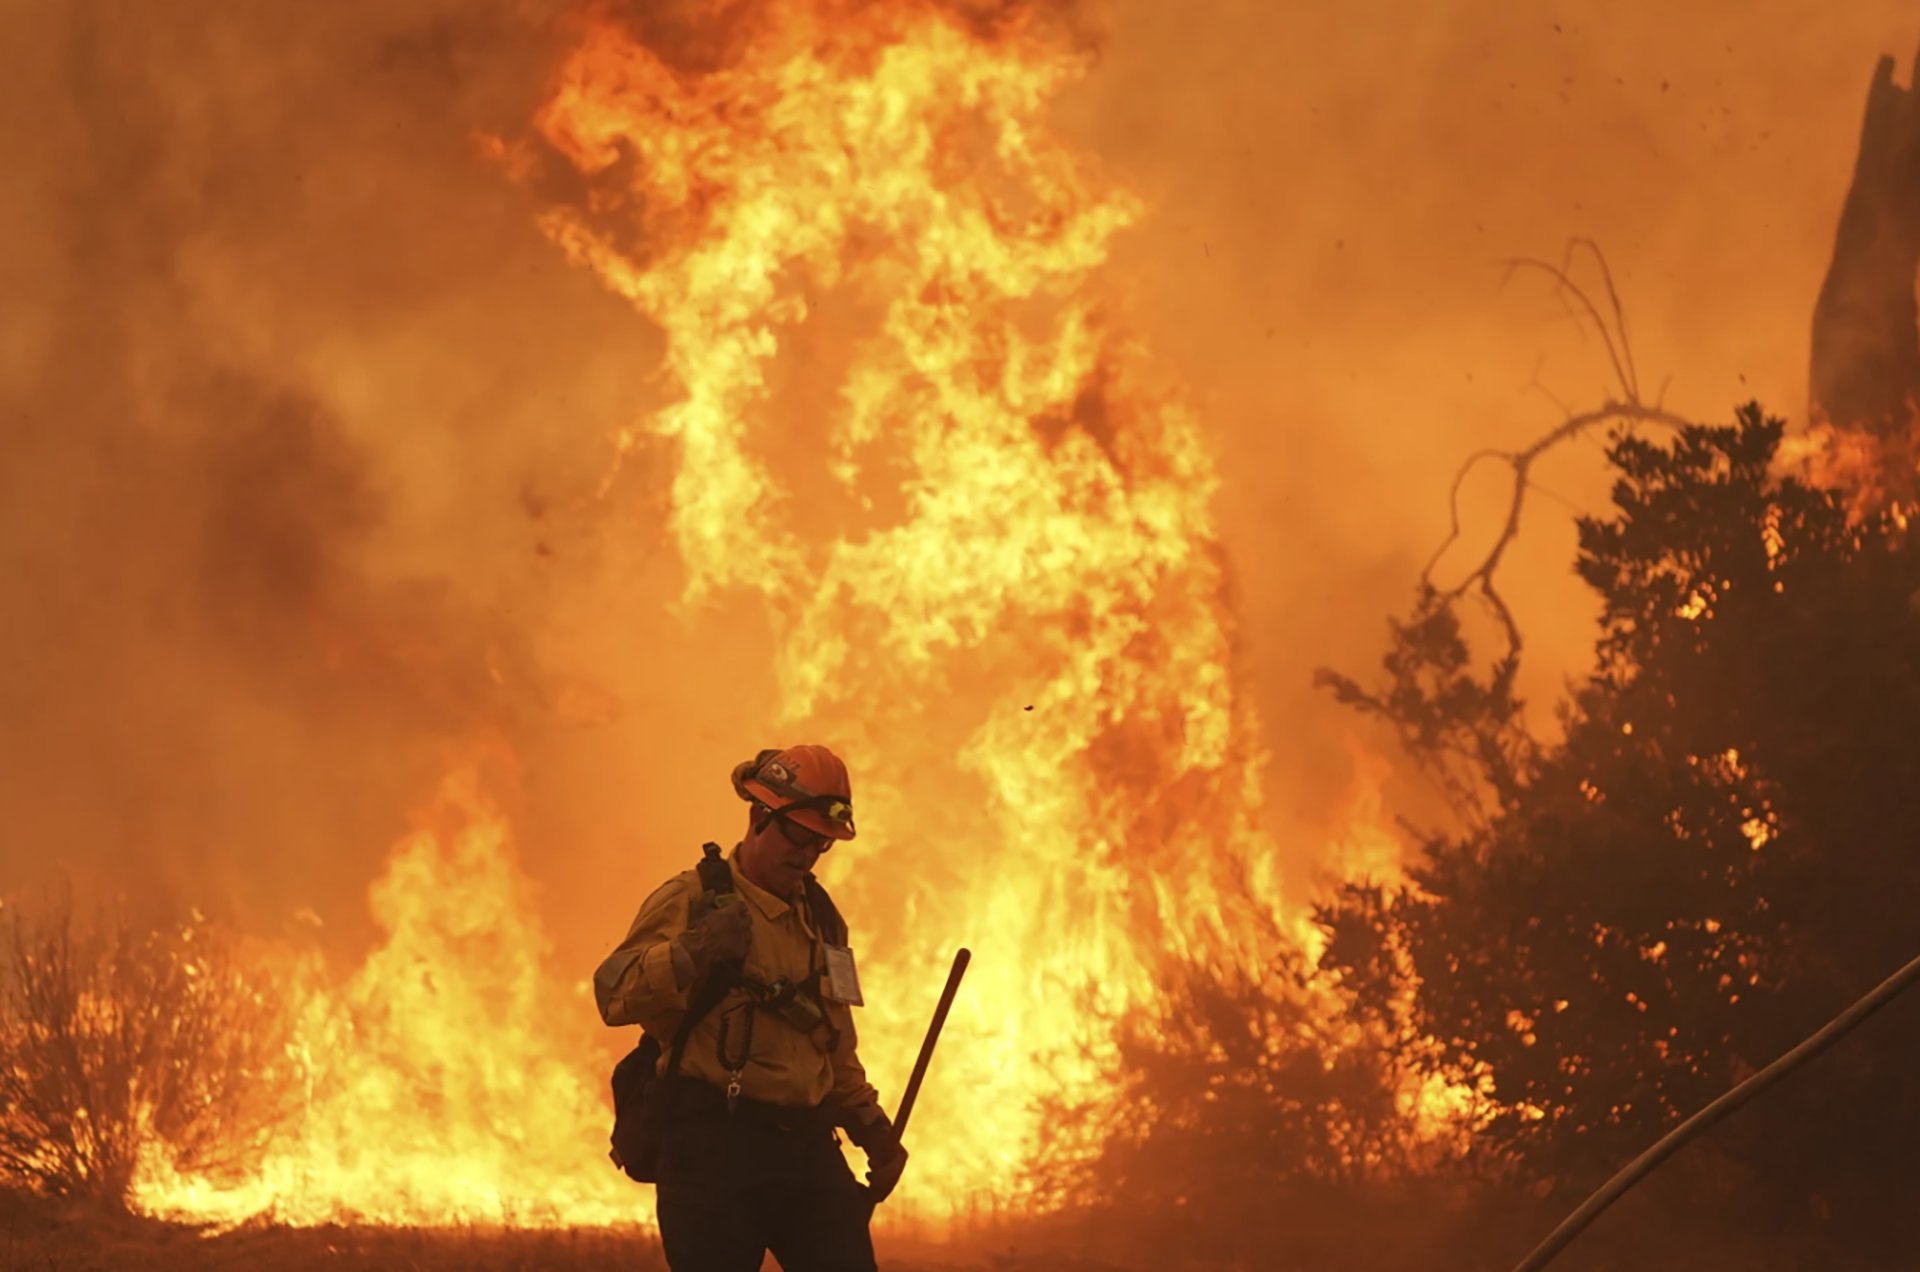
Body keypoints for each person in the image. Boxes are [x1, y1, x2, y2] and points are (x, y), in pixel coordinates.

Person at [593, 744, 907, 1272]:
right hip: (713, 1152)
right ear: (760, 816)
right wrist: (694, 950)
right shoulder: (690, 899)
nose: (808, 853)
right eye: (799, 835)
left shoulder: (825, 921)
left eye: (822, 844)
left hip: (807, 1152)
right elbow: (613, 993)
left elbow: (834, 1039)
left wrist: (869, 1123)